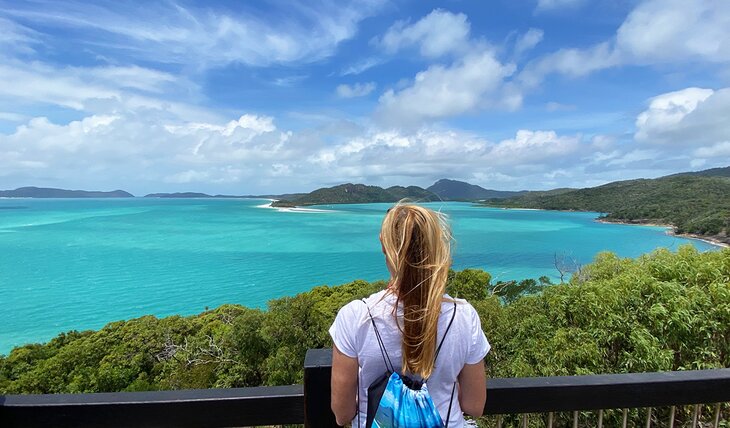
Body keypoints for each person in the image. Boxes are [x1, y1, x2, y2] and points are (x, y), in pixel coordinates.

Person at [329, 202, 490, 427]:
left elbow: (342, 413)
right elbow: (474, 405)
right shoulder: (464, 316)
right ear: (436, 249)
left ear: (385, 248)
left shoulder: (356, 316)